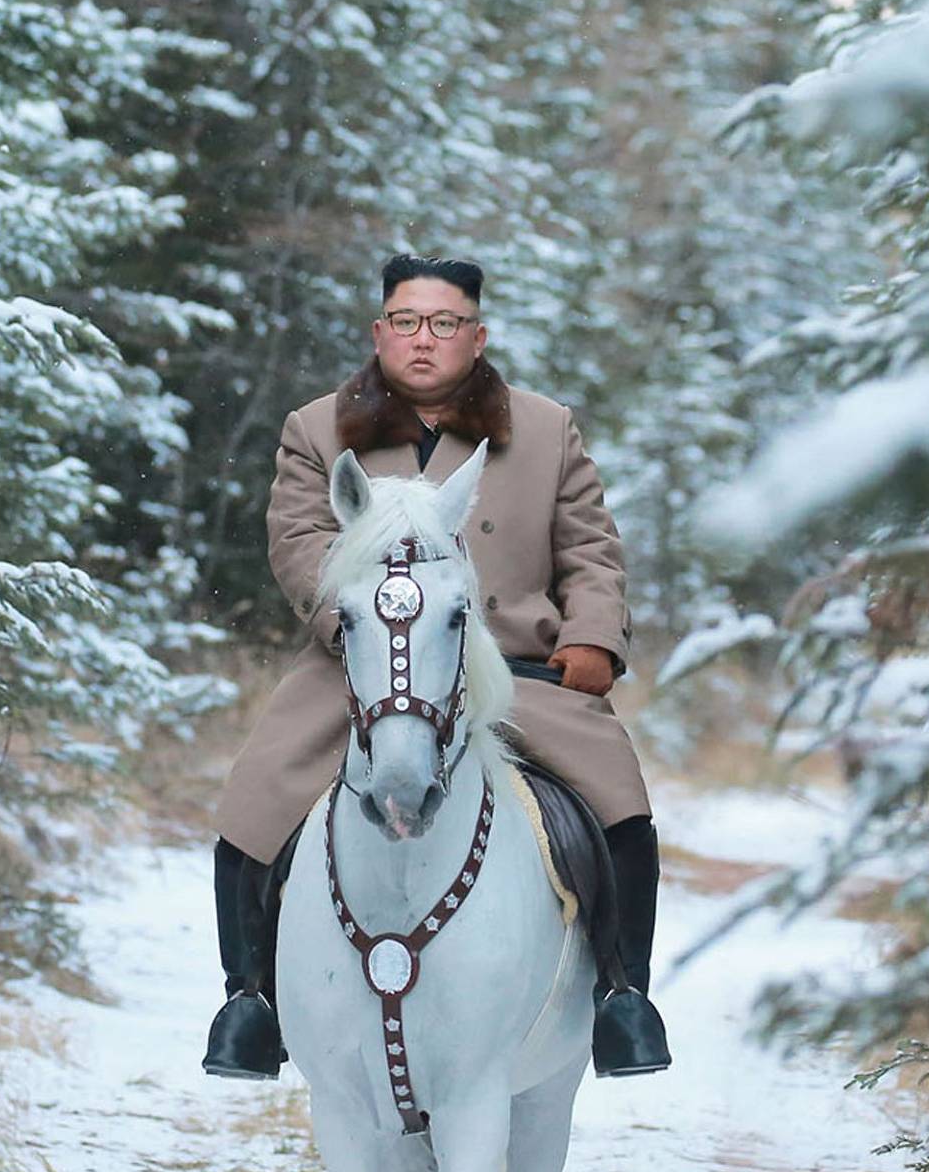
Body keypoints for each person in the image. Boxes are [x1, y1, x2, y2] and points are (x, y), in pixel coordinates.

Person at [204, 252, 662, 1080]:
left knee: (619, 808)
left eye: (445, 323)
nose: (425, 340)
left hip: (516, 671)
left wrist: (593, 636)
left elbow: (593, 551)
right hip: (361, 666)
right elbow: (300, 544)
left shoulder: (547, 429)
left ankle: (622, 999)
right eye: (407, 323)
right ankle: (252, 1002)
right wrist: (351, 626)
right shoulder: (316, 431)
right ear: (380, 332)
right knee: (255, 800)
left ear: (477, 337)